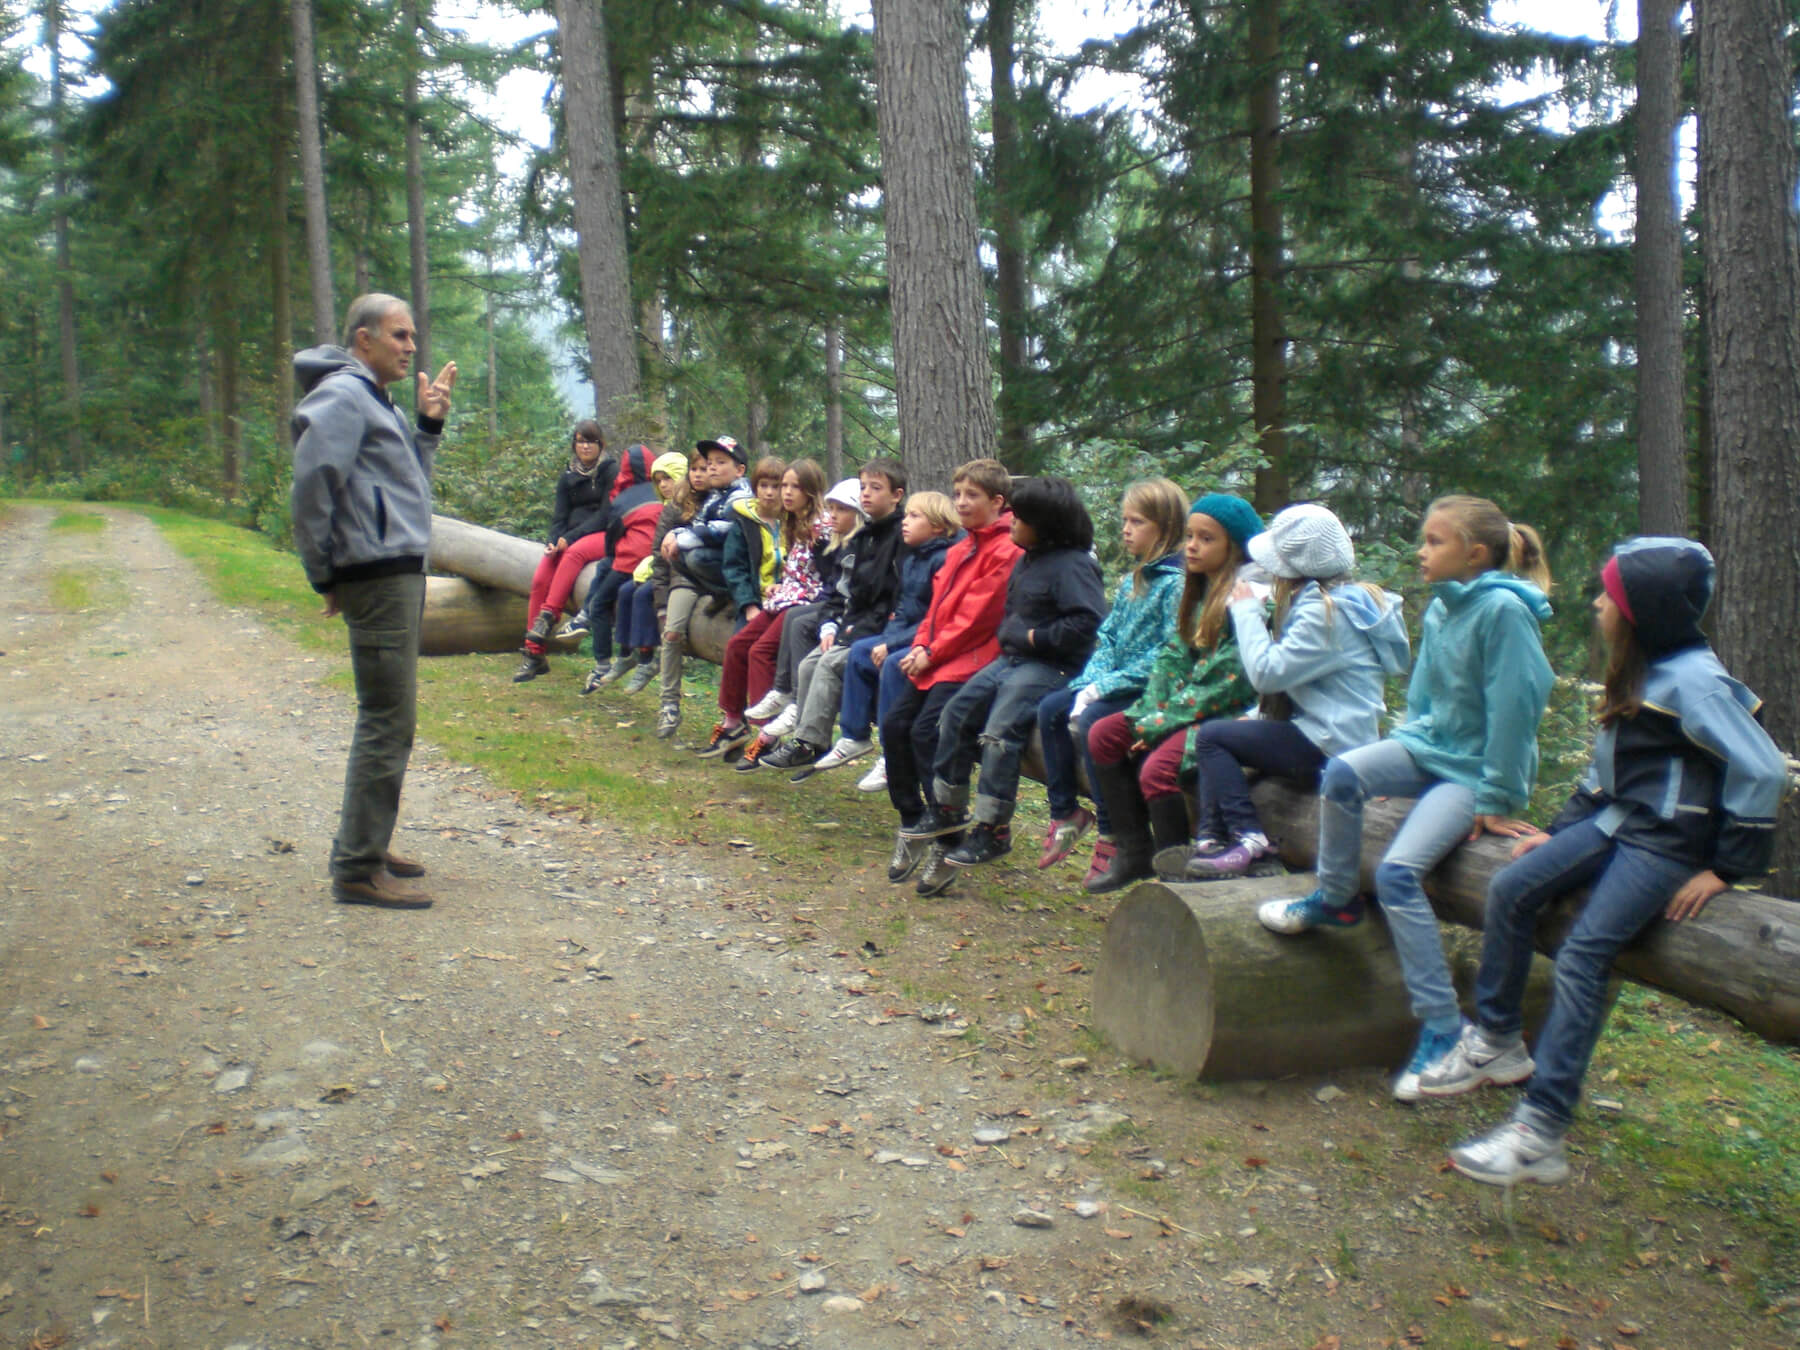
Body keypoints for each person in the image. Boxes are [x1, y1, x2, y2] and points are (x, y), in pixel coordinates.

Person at [1421, 537, 1785, 1186]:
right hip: (1615, 826)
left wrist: (1728, 867)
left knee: (1587, 953)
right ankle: (1497, 1040)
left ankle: (1541, 1131)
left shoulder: (1695, 681)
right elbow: (1608, 771)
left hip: (1664, 844)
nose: (1596, 603)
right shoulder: (1644, 668)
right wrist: (1560, 836)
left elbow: (1758, 768)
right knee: (1511, 887)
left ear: (1641, 610)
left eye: (1609, 595)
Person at [1258, 494, 1555, 1102]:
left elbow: (1517, 708)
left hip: (1471, 774)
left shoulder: (1503, 611)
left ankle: (1445, 1028)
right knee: (1342, 773)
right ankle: (1336, 898)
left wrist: (1497, 796)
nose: (1421, 552)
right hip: (1430, 751)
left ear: (1474, 553)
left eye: (1434, 542)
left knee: (1397, 873)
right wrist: (1397, 760)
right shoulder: (1447, 605)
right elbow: (1423, 699)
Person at [289, 292, 456, 910]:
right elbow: (312, 485)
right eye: (400, 336)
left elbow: (401, 483)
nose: (412, 348)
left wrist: (427, 427)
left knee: (391, 717)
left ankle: (369, 842)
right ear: (364, 339)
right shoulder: (341, 396)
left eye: (412, 336)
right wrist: (324, 573)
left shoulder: (370, 398)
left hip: (392, 571)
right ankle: (357, 867)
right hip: (378, 575)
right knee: (388, 718)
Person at [1179, 503, 1410, 879]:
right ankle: (1211, 840)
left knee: (1211, 738)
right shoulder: (1330, 600)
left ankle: (1247, 840)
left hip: (1332, 745)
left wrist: (1247, 612)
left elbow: (1268, 675)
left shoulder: (1326, 613)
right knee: (1225, 736)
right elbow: (1306, 686)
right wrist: (1255, 719)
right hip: (1329, 733)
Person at [907, 477, 1106, 871]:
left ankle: (993, 829)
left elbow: (1087, 623)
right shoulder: (1028, 556)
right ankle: (948, 806)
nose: (1011, 520)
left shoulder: (1074, 565)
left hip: (1052, 666)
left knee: (999, 733)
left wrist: (1035, 636)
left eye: (1021, 516)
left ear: (1045, 523)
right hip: (1010, 661)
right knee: (955, 714)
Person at [1081, 492, 1262, 894]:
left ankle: (1177, 873)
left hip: (1225, 717)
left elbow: (1226, 683)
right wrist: (1147, 712)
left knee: (1157, 770)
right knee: (1103, 734)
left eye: (1206, 539)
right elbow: (1173, 658)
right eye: (1190, 536)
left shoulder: (1245, 599)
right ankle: (1134, 849)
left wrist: (1160, 722)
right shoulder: (1197, 591)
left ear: (1235, 547)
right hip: (1183, 711)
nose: (1192, 546)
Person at [883, 458, 1023, 897]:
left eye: (972, 496)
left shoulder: (1007, 549)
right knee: (893, 725)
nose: (961, 502)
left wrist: (932, 651)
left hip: (973, 660)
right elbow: (936, 607)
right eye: (958, 494)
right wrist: (921, 644)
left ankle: (947, 842)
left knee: (929, 731)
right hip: (937, 657)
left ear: (997, 503)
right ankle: (912, 824)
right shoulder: (961, 547)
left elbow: (978, 617)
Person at [1034, 478, 1187, 870]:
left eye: (1137, 522)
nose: (1125, 529)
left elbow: (1168, 652)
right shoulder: (1133, 580)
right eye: (1124, 520)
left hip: (1149, 688)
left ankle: (1113, 828)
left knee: (1093, 721)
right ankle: (1064, 811)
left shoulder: (1176, 584)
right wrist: (1090, 682)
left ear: (1165, 527)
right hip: (1113, 680)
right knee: (1051, 708)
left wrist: (1105, 686)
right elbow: (1108, 636)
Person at [764, 459, 909, 778]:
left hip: (877, 633)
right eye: (864, 487)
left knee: (828, 664)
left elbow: (894, 599)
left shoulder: (900, 537)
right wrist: (832, 624)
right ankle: (807, 739)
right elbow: (845, 593)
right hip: (852, 626)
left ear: (897, 495)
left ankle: (811, 741)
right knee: (808, 664)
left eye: (876, 488)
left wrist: (853, 631)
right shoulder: (866, 535)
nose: (867, 494)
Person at [817, 489, 956, 791]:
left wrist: (892, 645)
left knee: (892, 664)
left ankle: (891, 754)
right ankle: (853, 735)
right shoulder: (912, 559)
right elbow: (904, 610)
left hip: (927, 640)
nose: (905, 522)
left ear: (938, 526)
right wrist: (887, 639)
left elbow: (934, 617)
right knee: (861, 652)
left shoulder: (943, 560)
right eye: (906, 516)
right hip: (907, 633)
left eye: (915, 516)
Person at [700, 458, 828, 758]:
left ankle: (767, 735)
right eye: (783, 485)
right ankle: (733, 721)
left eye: (793, 486)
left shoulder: (819, 528)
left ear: (811, 491)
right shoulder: (792, 522)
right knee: (737, 645)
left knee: (759, 652)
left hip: (802, 606)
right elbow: (785, 571)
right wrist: (776, 588)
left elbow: (827, 577)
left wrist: (795, 592)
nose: (784, 493)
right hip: (781, 598)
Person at [742, 478, 865, 770]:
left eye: (792, 487)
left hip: (836, 613)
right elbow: (831, 586)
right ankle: (777, 701)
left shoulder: (843, 538)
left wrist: (832, 623)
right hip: (807, 603)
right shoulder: (808, 530)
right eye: (831, 508)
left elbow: (835, 586)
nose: (783, 493)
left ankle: (791, 710)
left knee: (795, 622)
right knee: (749, 644)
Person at [512, 422, 618, 683]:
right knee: (540, 580)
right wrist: (553, 541)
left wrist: (568, 539)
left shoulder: (610, 470)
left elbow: (606, 515)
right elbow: (559, 516)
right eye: (580, 441)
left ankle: (548, 617)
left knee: (574, 553)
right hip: (568, 538)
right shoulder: (568, 475)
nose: (584, 446)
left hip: (604, 535)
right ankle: (534, 653)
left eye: (590, 441)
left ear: (600, 445)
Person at [658, 436, 748, 738]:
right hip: (686, 577)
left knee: (693, 554)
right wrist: (660, 601)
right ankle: (669, 705)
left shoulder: (735, 496)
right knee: (671, 631)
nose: (706, 472)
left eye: (715, 465)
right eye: (701, 466)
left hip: (730, 574)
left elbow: (721, 531)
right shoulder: (681, 504)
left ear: (739, 469)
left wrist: (682, 536)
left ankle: (740, 720)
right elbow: (660, 558)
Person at [582, 450, 691, 693]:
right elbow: (656, 548)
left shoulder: (687, 508)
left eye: (668, 479)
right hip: (659, 569)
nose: (663, 485)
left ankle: (646, 659)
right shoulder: (665, 507)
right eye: (659, 480)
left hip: (680, 575)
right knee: (625, 591)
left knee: (642, 596)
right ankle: (624, 654)